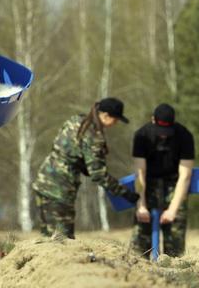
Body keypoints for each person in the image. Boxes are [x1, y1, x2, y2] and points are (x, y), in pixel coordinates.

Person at [32, 98, 140, 239]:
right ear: (106, 115)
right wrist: (125, 193)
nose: (116, 123)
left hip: (43, 181)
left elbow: (63, 147)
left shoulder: (76, 121)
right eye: (115, 119)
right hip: (60, 190)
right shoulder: (94, 137)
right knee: (62, 240)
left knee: (48, 236)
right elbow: (98, 175)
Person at [130, 103, 195, 257]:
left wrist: (172, 210)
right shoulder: (142, 135)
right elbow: (140, 173)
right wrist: (141, 205)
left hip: (174, 182)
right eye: (161, 131)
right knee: (141, 233)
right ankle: (140, 267)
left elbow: (185, 175)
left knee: (175, 232)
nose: (164, 135)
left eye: (167, 132)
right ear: (153, 120)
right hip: (148, 181)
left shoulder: (184, 136)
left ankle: (173, 267)